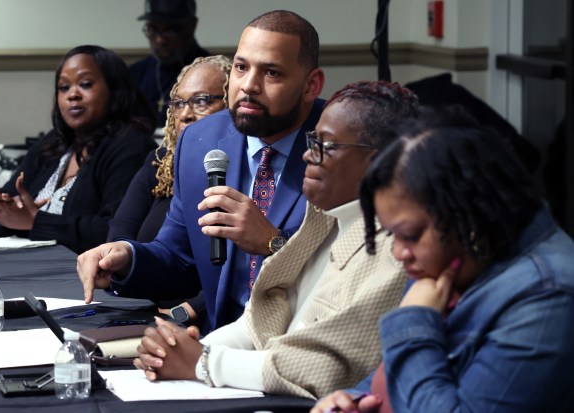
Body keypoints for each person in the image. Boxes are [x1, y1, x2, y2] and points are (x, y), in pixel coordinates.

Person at [132, 80, 419, 399]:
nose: (309, 155)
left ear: (380, 160)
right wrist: (182, 351)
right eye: (313, 140)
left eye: (328, 145)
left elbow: (324, 369)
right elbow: (260, 320)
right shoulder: (324, 215)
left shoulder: (397, 250)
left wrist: (204, 362)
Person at [77, 10, 326, 333]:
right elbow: (177, 256)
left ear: (311, 85)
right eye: (241, 67)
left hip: (304, 342)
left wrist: (274, 245)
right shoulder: (200, 141)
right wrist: (127, 258)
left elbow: (349, 277)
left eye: (272, 73)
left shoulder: (339, 146)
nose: (248, 86)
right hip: (217, 339)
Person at [313, 108, 574, 413]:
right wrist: (351, 399)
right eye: (391, 234)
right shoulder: (453, 262)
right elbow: (397, 379)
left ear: (471, 215)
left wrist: (413, 325)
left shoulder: (548, 299)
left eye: (410, 235)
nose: (399, 253)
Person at [0, 45, 157, 254]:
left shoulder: (132, 147)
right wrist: (5, 210)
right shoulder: (53, 143)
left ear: (115, 90)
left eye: (85, 84)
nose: (73, 95)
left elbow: (114, 232)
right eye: (64, 87)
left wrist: (35, 221)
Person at [108, 55, 232, 326]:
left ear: (232, 104)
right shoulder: (161, 161)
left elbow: (240, 270)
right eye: (179, 104)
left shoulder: (244, 169)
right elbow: (121, 235)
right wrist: (119, 258)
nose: (186, 114)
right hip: (146, 306)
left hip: (210, 318)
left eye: (201, 101)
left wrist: (184, 312)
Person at [131, 0, 210, 126]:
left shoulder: (213, 72)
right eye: (152, 29)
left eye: (171, 30)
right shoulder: (135, 73)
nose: (160, 40)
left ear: (192, 25)